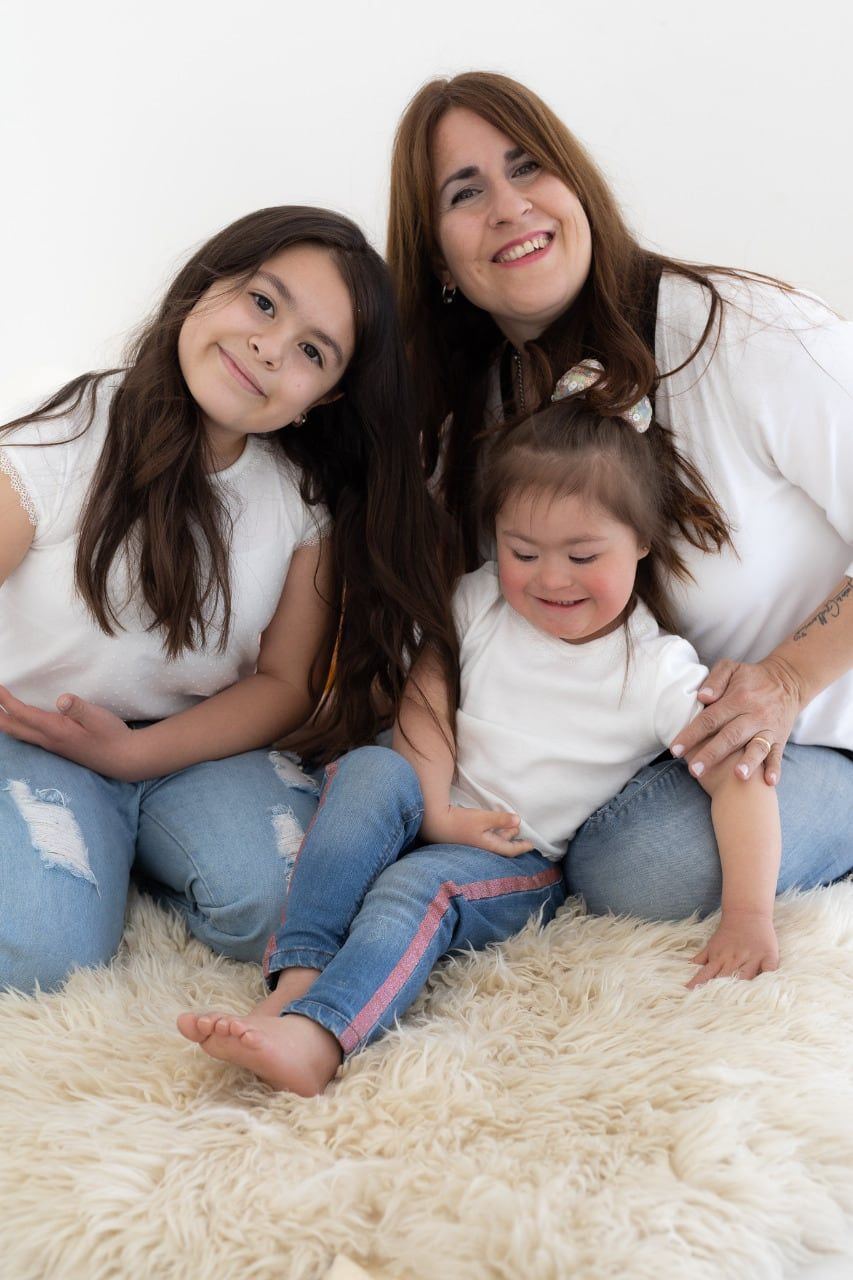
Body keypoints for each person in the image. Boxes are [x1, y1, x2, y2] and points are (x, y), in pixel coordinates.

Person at [177, 384, 782, 1095]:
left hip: (515, 859)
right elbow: (428, 700)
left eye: (583, 556)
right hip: (428, 805)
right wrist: (432, 806)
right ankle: (298, 976)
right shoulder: (480, 601)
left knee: (416, 885)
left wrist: (748, 915)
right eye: (523, 551)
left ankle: (321, 1036)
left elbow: (737, 781)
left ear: (641, 542)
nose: (551, 579)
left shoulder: (654, 670)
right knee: (370, 768)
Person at [385, 70, 853, 921]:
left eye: (528, 167)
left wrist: (786, 679)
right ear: (438, 259)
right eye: (465, 191)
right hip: (654, 747)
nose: (507, 206)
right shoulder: (473, 416)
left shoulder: (742, 333)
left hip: (820, 734)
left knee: (636, 866)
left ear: (578, 185)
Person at [0, 206, 457, 994]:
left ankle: (140, 836)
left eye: (311, 351)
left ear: (325, 396)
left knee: (294, 906)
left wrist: (136, 755)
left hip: (196, 748)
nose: (269, 348)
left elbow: (283, 684)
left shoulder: (297, 500)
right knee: (43, 953)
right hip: (37, 732)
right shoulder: (68, 434)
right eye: (263, 303)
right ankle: (89, 842)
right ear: (206, 286)